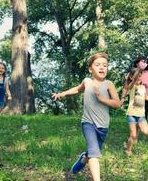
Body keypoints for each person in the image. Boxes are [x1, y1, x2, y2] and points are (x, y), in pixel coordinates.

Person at [51, 53, 120, 181]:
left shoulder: (109, 84)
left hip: (103, 126)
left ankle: (80, 163)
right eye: (98, 65)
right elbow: (77, 89)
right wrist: (62, 94)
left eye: (105, 65)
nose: (102, 67)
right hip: (88, 124)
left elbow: (117, 104)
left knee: (91, 153)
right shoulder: (87, 81)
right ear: (90, 69)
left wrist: (102, 99)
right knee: (94, 154)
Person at [121, 68, 148, 155]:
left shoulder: (142, 87)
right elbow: (131, 83)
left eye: (140, 76)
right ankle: (128, 150)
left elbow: (146, 97)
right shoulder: (131, 86)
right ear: (131, 77)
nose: (139, 78)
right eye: (137, 76)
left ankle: (137, 127)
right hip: (131, 114)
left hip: (141, 115)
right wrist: (137, 73)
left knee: (146, 131)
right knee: (133, 136)